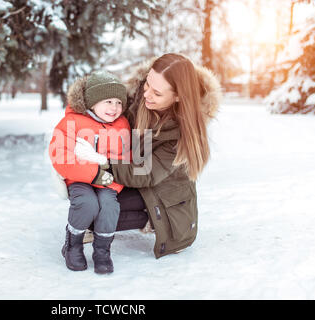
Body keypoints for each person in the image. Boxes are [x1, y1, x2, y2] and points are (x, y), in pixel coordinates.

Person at [74, 53, 222, 258]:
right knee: (88, 199)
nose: (147, 95)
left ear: (178, 96)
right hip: (135, 179)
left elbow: (144, 174)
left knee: (97, 213)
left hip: (162, 194)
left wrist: (101, 161)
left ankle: (151, 218)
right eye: (147, 85)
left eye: (157, 93)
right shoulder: (139, 99)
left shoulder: (182, 135)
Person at [49, 71, 131, 274]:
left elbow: (127, 155)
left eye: (119, 102)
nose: (115, 108)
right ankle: (73, 244)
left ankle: (102, 251)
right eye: (108, 101)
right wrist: (93, 174)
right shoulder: (73, 122)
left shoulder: (122, 125)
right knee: (87, 204)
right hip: (80, 179)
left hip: (109, 180)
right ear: (92, 102)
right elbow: (60, 155)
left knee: (109, 206)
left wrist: (113, 179)